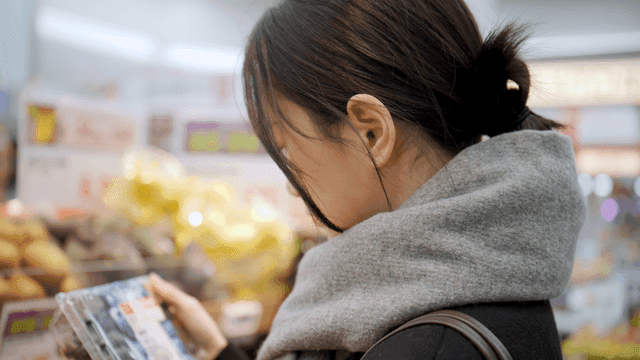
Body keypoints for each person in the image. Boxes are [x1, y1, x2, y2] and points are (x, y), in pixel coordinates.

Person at [148, 0, 587, 359]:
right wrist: (218, 350)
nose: (289, 183)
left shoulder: (429, 343)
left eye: (286, 151)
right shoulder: (481, 276)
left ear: (371, 132)